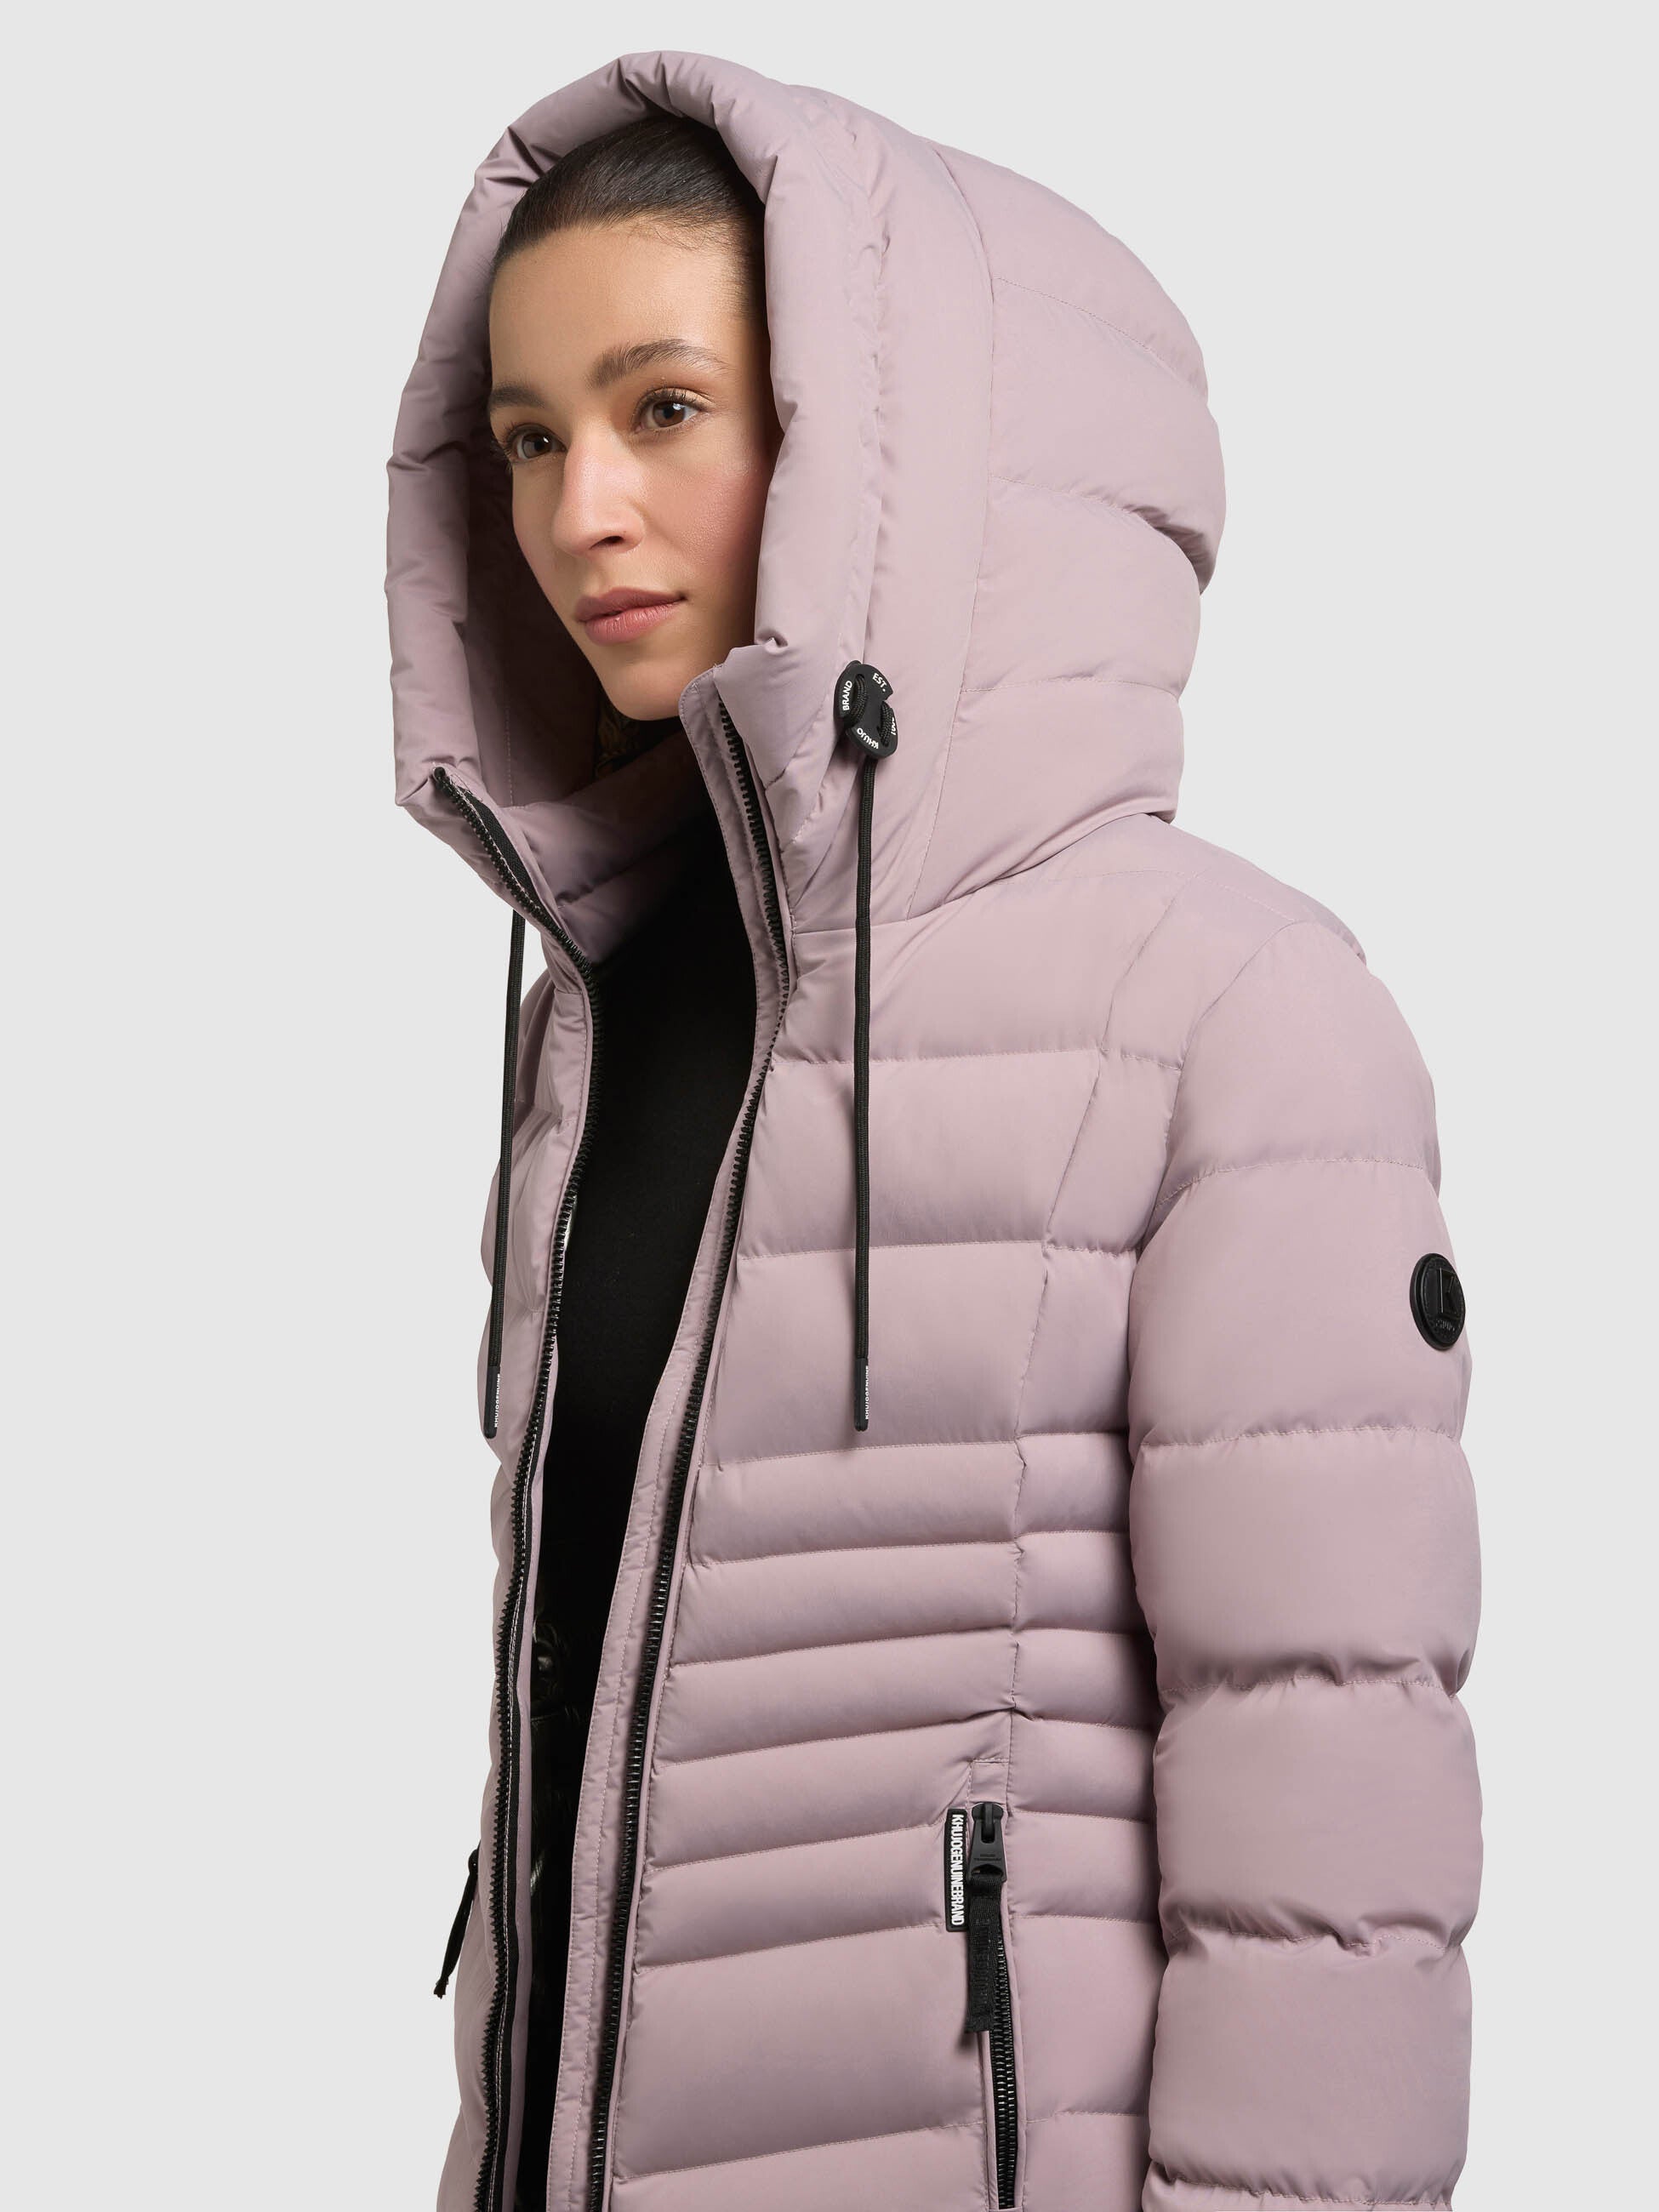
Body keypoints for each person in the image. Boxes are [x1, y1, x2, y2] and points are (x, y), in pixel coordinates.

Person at [386, 51, 1481, 2212]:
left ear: (887, 458)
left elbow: (1337, 1849)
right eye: (527, 437)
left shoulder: (1237, 1020)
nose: (582, 507)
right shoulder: (599, 1017)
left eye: (664, 407)